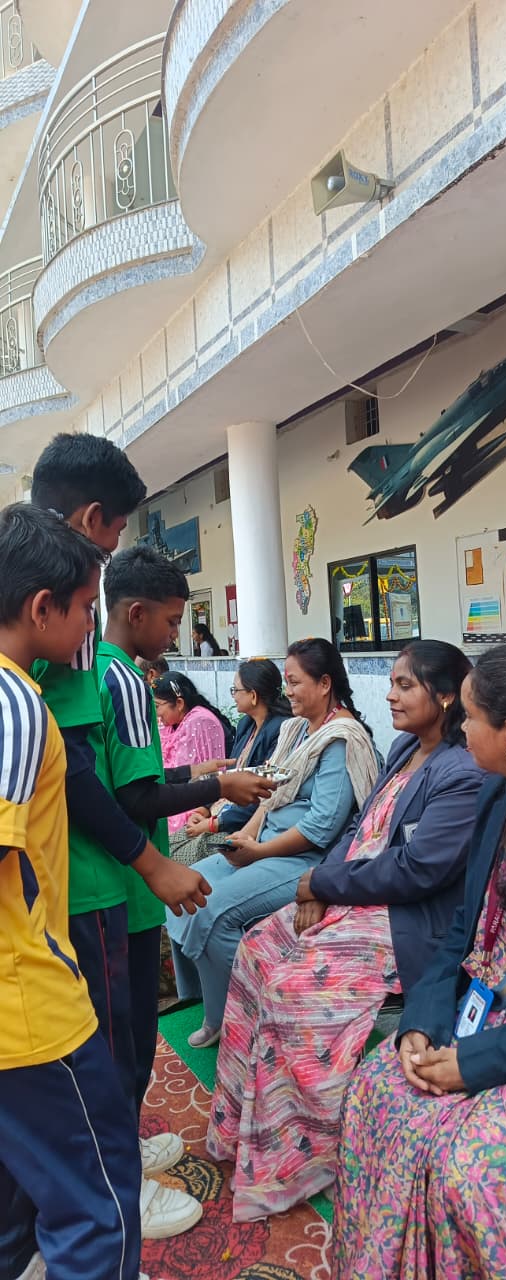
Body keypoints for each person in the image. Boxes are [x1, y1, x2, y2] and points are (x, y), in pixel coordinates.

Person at [207, 640, 484, 1220]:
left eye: (405, 685)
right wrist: (322, 882)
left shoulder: (460, 771)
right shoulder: (405, 748)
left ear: (444, 696)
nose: (391, 696)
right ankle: (242, 1128)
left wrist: (324, 884)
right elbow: (360, 828)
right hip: (352, 891)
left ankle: (304, 1155)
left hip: (403, 918)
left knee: (293, 987)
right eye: (392, 683)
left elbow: (417, 870)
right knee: (257, 950)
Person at [28, 432, 216, 1247]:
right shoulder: (74, 657)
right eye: (110, 542)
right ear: (91, 519)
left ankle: (107, 1171)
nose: (91, 607)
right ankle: (111, 1193)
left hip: (64, 885)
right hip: (89, 886)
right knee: (98, 1058)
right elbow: (84, 777)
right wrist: (151, 860)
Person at [332, 642, 506, 1280]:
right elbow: (462, 930)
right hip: (477, 1017)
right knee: (376, 1091)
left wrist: (476, 1061)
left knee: (466, 1163)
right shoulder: (498, 797)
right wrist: (421, 1021)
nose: (460, 730)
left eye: (470, 717)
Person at [0, 504, 145, 1280]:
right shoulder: (16, 702)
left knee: (21, 1192)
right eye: (86, 607)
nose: (92, 624)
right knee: (99, 1202)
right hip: (29, 1006)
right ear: (40, 607)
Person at [96, 547, 278, 1103]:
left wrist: (194, 773)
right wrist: (219, 786)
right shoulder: (128, 681)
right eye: (173, 620)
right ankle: (126, 1143)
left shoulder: (98, 669)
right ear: (137, 614)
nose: (177, 633)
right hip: (129, 879)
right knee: (131, 1033)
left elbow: (125, 775)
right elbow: (136, 797)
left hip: (112, 871)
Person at [168, 638, 380, 1049]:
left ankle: (254, 1019)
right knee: (182, 886)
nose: (287, 691)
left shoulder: (341, 739)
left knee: (212, 910)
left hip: (302, 859)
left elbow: (321, 827)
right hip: (263, 843)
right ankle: (212, 1003)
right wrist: (247, 835)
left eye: (295, 682)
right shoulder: (296, 729)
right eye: (286, 681)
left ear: (324, 684)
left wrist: (259, 851)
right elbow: (271, 797)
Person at [183, 657, 292, 863]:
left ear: (253, 695)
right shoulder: (246, 725)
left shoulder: (281, 730)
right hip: (221, 813)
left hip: (242, 825)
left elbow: (265, 793)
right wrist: (204, 809)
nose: (233, 696)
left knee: (179, 859)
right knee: (168, 846)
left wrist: (214, 823)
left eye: (236, 690)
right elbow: (230, 776)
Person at [154, 672, 233, 852]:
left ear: (179, 703)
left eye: (157, 706)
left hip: (195, 804)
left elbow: (194, 776)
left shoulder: (199, 721)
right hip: (176, 795)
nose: (156, 714)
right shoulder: (172, 724)